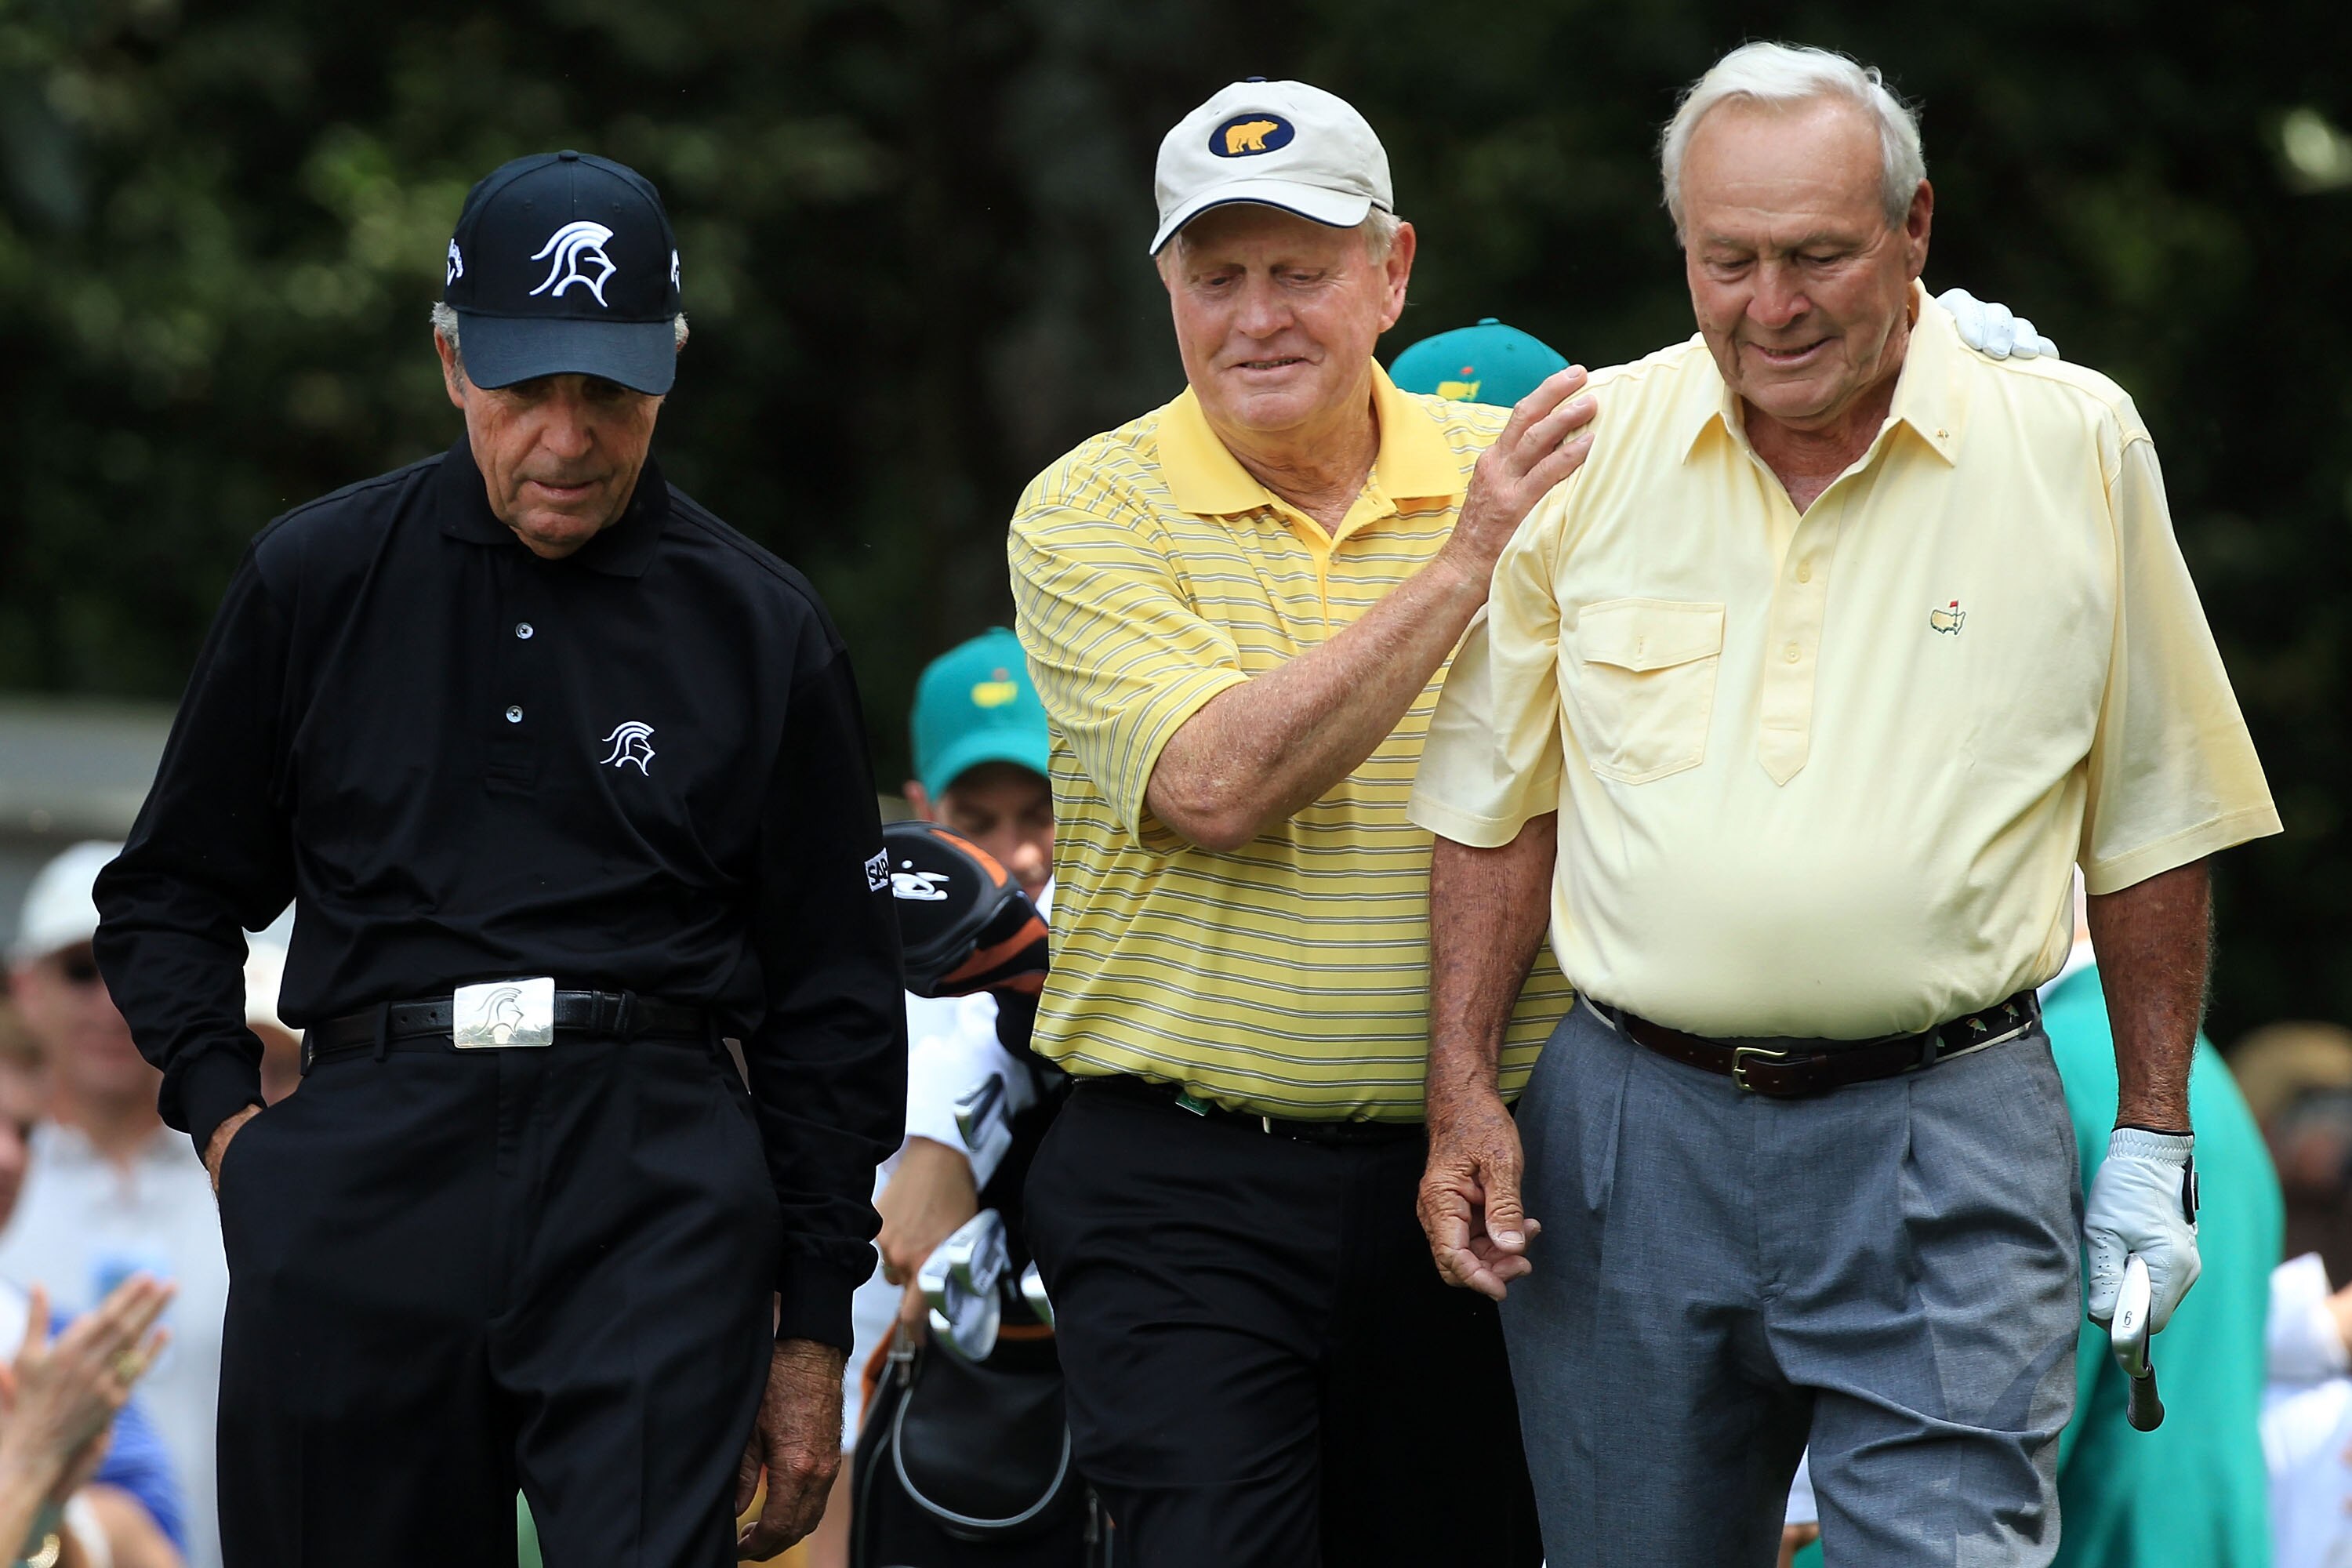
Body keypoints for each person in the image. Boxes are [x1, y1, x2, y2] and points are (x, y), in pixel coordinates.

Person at [1408, 41, 2281, 1566]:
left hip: (1950, 1125)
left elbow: (2154, 807)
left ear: (1916, 229)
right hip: (1629, 1126)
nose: (1772, 305)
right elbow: (1496, 806)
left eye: (1817, 254)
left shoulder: (2072, 441)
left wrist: (2151, 1130)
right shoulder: (1588, 452)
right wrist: (1464, 1086)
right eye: (1726, 260)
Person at [91, 151, 906, 1566]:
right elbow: (167, 893)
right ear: (450, 360)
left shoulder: (760, 623)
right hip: (363, 1159)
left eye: (612, 390)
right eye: (528, 387)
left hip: (653, 1167)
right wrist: (236, 1136)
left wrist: (811, 1327)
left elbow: (833, 997)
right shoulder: (317, 578)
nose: (569, 438)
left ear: (673, 368)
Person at [1006, 74, 1596, 1566]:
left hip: (1486, 1174)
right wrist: (1463, 568)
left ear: (1393, 274)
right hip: (1181, 1186)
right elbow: (1211, 787)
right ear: (1168, 292)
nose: (1256, 316)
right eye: (1216, 277)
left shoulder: (1532, 490)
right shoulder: (1089, 510)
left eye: (1300, 271)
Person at [1782, 876, 2281, 1568]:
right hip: (2207, 1534)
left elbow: (2008, 1399)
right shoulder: (2192, 1075)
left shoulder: (2044, 1072)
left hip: (2090, 1534)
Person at [808, 627, 1057, 1568]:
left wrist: (939, 1150)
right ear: (919, 808)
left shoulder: (1111, 927)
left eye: (1041, 807)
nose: (1017, 847)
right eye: (975, 816)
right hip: (891, 1374)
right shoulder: (862, 962)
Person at [1, 844, 217, 1566]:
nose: (112, 999)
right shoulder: (8, 1177)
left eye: (135, 965)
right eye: (80, 969)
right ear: (24, 987)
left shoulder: (252, 1173)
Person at [0, 1000, 186, 1568]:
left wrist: (54, 1516)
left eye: (26, 1131)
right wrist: (32, 1460)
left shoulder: (58, 1344)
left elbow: (157, 1544)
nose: (9, 1158)